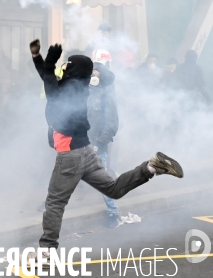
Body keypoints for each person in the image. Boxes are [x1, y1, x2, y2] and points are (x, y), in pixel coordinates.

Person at [29, 39, 183, 260]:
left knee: (54, 204)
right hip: (85, 152)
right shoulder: (79, 85)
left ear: (74, 70)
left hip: (70, 155)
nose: (65, 67)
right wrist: (39, 59)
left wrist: (50, 60)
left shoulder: (71, 88)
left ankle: (46, 252)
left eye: (68, 64)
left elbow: (50, 85)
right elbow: (49, 79)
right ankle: (151, 167)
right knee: (112, 189)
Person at [88, 50, 120, 228]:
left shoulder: (107, 97)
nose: (93, 73)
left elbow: (111, 125)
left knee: (103, 180)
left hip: (96, 146)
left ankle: (113, 211)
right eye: (92, 70)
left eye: (97, 71)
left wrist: (99, 143)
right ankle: (51, 206)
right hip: (81, 144)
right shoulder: (86, 93)